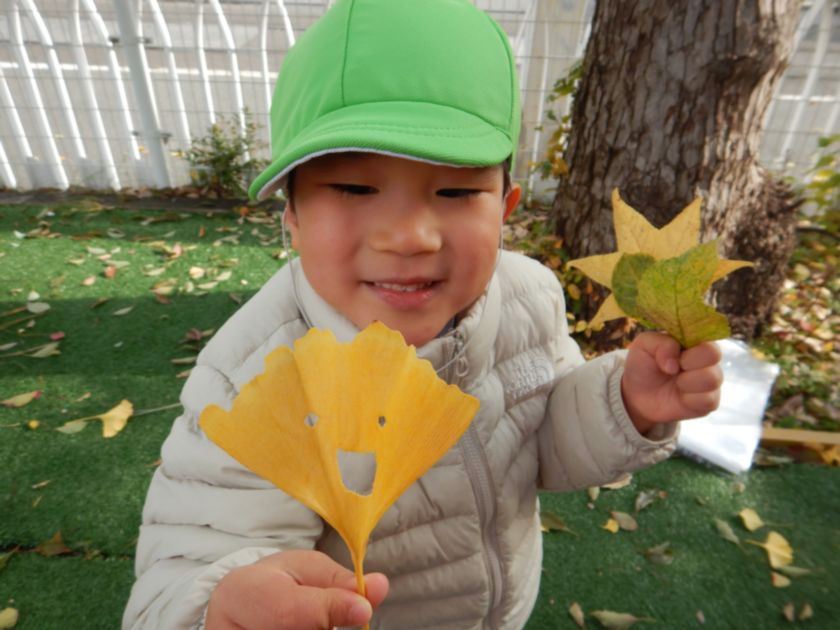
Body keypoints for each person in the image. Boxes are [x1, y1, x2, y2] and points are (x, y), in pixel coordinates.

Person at [123, 1, 723, 628]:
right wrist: (219, 607)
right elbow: (189, 554)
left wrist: (625, 403)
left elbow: (542, 443)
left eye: (457, 191)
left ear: (506, 206)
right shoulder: (257, 375)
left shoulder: (528, 297)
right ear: (292, 216)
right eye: (355, 188)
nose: (410, 236)